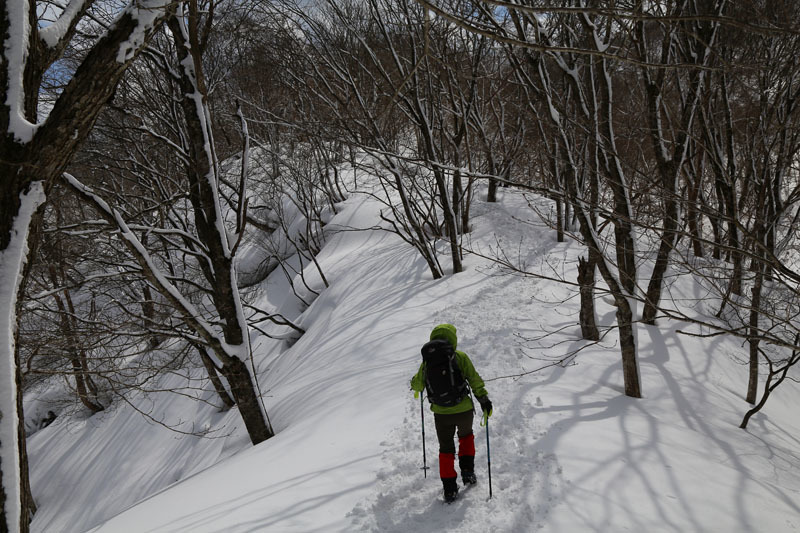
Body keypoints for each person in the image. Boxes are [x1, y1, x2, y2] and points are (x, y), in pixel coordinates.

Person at [410, 323, 493, 503]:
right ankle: (468, 472)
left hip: (441, 414)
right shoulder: (460, 357)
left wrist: (415, 382)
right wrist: (483, 400)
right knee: (466, 437)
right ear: (453, 338)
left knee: (446, 448)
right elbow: (474, 379)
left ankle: (449, 488)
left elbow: (417, 385)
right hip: (463, 410)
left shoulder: (427, 362)